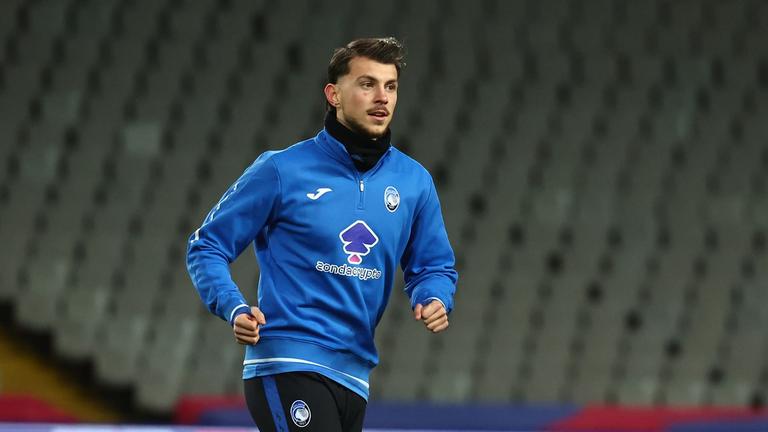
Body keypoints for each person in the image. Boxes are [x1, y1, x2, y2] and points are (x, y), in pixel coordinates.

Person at [186, 37, 458, 432]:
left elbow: (433, 265)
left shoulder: (414, 182)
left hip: (355, 375)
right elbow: (206, 246)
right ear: (333, 94)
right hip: (288, 361)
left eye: (391, 86)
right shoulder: (281, 170)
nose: (382, 97)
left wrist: (434, 296)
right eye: (367, 84)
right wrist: (233, 306)